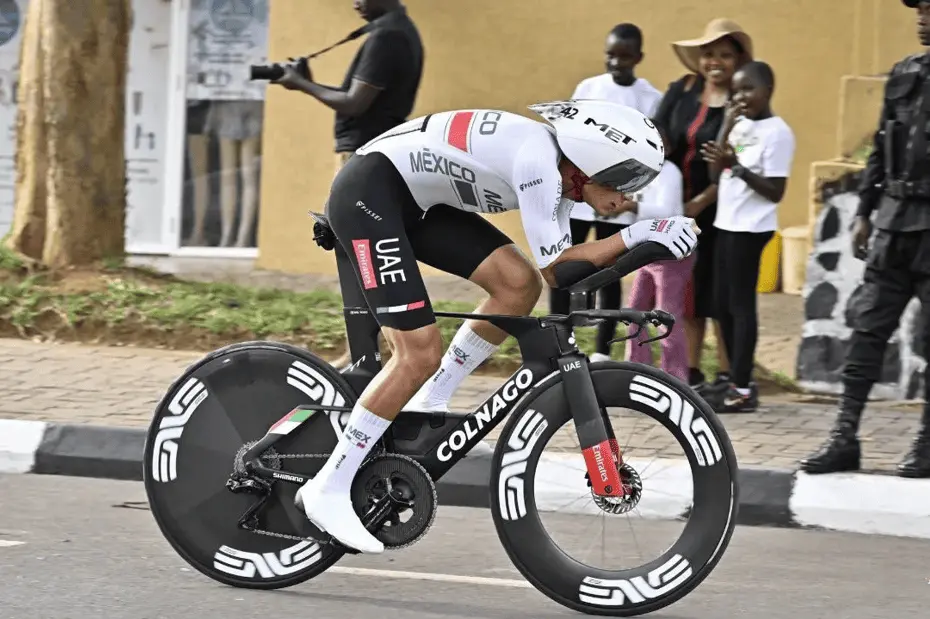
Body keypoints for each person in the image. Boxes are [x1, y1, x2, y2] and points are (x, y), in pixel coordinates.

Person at [296, 99, 702, 553]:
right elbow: (560, 271)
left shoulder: (564, 178)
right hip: (369, 195)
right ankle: (327, 488)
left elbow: (561, 274)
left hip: (414, 203)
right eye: (626, 181)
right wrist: (640, 234)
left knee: (516, 284)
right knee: (418, 353)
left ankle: (434, 394)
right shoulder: (540, 166)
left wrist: (644, 242)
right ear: (590, 163)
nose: (629, 198)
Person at [801, 0, 930, 477]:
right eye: (919, 9)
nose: (920, 17)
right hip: (894, 224)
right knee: (866, 334)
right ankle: (844, 437)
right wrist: (863, 213)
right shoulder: (906, 71)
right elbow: (881, 145)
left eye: (929, 9)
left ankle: (926, 444)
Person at [273, 0, 424, 370]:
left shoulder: (388, 36)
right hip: (370, 154)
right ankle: (371, 348)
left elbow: (355, 103)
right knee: (359, 249)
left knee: (356, 251)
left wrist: (300, 84)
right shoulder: (395, 31)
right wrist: (307, 82)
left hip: (363, 157)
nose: (354, 1)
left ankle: (368, 351)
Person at [547, 22, 664, 364]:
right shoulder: (589, 87)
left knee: (611, 271)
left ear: (638, 57)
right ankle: (559, 340)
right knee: (562, 266)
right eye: (610, 55)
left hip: (619, 197)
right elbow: (569, 135)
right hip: (580, 193)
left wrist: (630, 197)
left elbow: (651, 153)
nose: (616, 63)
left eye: (625, 57)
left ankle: (602, 348)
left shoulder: (651, 98)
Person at [653, 18, 753, 395]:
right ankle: (689, 373)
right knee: (689, 289)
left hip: (725, 211)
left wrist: (701, 201)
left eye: (725, 55)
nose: (715, 61)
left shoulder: (746, 99)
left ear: (738, 60)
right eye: (709, 53)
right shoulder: (683, 89)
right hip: (678, 207)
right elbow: (659, 132)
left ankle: (728, 375)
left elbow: (743, 158)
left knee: (723, 293)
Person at [701, 61, 796, 413]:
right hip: (727, 223)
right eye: (736, 90)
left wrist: (736, 166)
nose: (740, 97)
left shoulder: (778, 132)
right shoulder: (738, 125)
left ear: (768, 90)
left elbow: (775, 191)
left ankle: (743, 388)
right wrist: (726, 126)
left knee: (741, 307)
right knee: (722, 305)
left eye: (748, 89)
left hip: (752, 229)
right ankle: (732, 378)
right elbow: (715, 173)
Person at [623, 134, 692, 382]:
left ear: (668, 146)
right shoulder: (641, 171)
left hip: (671, 253)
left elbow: (670, 211)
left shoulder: (669, 172)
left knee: (666, 316)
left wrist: (631, 206)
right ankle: (637, 370)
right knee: (634, 311)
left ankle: (674, 378)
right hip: (647, 252)